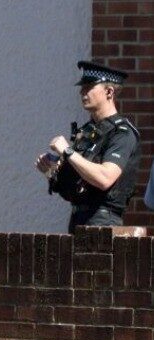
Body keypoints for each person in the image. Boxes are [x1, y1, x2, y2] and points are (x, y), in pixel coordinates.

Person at [35, 59, 141, 230]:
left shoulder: (122, 133)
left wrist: (68, 151)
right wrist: (53, 170)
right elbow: (77, 186)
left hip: (103, 223)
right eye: (82, 88)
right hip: (79, 220)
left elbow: (105, 178)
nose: (82, 93)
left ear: (109, 92)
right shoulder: (88, 131)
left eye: (89, 87)